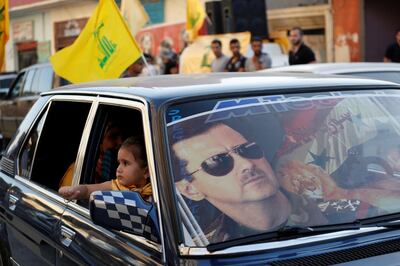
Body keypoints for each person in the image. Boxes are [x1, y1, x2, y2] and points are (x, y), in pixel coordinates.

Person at [171, 120, 327, 242]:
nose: (247, 164)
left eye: (248, 149)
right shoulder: (205, 251)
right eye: (217, 161)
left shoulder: (344, 209)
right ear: (190, 189)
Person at [59, 136, 152, 202]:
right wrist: (76, 191)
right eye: (119, 163)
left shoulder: (158, 193)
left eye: (126, 163)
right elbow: (88, 189)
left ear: (146, 171)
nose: (118, 169)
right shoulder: (116, 187)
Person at [59, 121, 125, 187]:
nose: (120, 142)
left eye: (122, 137)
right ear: (99, 140)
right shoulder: (79, 171)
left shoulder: (120, 168)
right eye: (113, 136)